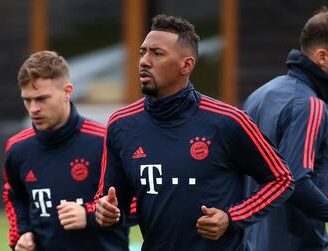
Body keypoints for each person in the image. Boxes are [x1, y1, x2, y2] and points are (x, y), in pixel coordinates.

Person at [94, 14, 294, 251]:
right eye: (142, 52)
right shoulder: (121, 124)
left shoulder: (228, 121)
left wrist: (231, 217)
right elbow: (111, 203)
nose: (144, 61)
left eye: (157, 54)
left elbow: (282, 179)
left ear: (186, 65)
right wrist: (106, 211)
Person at [2, 51, 130, 251]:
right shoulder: (17, 148)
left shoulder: (104, 141)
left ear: (67, 91)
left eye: (42, 98)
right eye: (27, 100)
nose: (33, 108)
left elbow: (135, 202)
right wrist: (21, 234)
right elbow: (13, 195)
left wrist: (89, 216)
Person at [243, 7, 328, 251]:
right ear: (322, 57)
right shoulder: (310, 105)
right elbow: (297, 181)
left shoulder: (260, 94)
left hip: (252, 243)